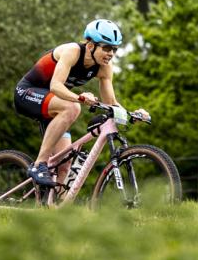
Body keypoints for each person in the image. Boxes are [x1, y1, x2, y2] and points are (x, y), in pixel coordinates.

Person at [13, 17, 144, 187]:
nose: (111, 54)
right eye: (106, 48)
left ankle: (55, 204)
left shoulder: (104, 67)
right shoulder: (73, 51)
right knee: (72, 108)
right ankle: (39, 164)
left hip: (55, 105)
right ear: (90, 45)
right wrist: (79, 98)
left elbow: (111, 103)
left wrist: (131, 114)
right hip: (27, 93)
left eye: (114, 49)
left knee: (65, 164)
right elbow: (55, 86)